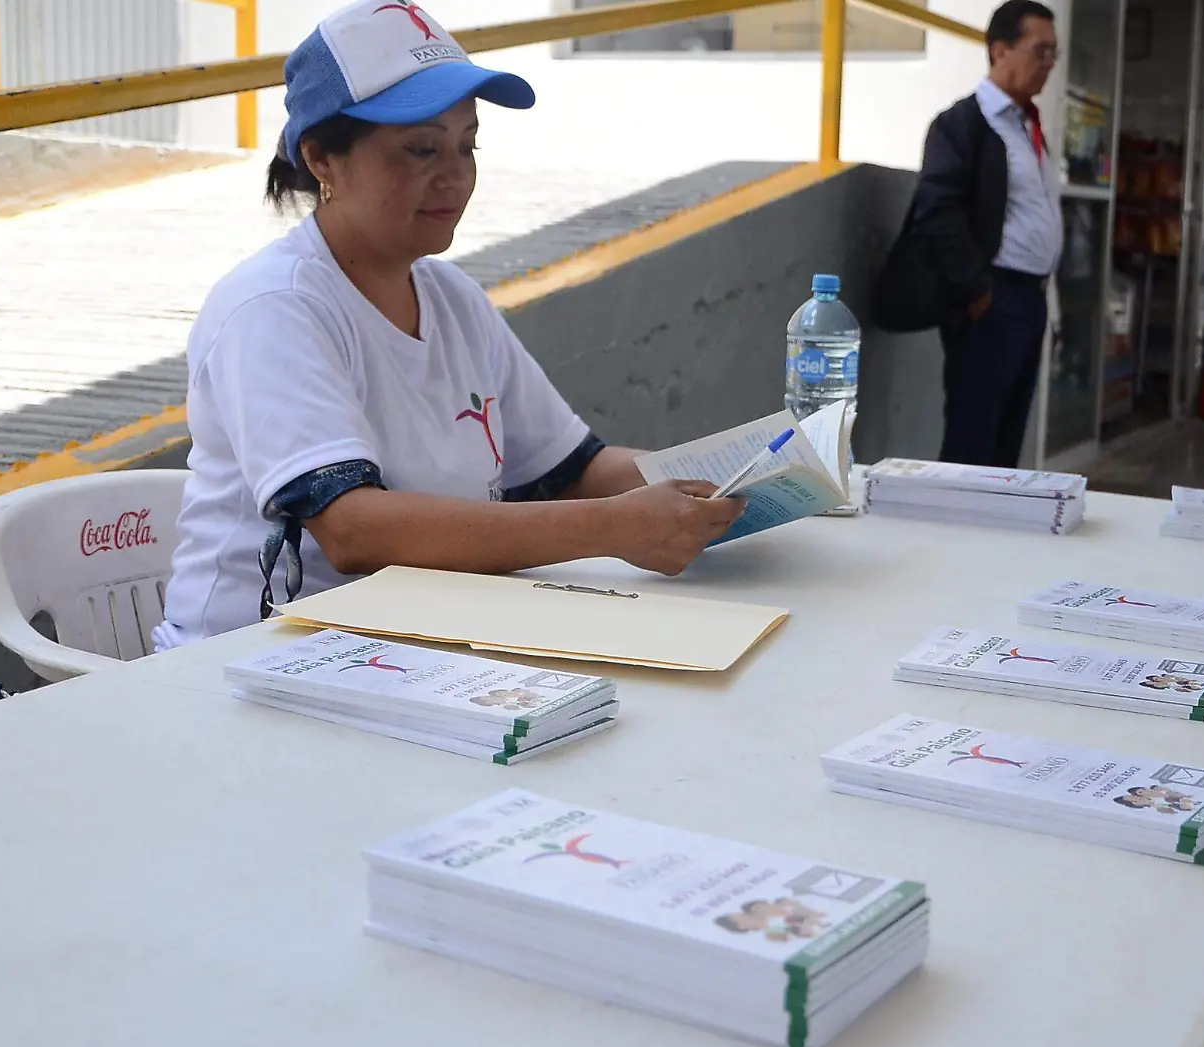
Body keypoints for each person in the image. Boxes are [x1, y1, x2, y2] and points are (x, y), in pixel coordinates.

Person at [152, 2, 747, 649]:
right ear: (323, 157)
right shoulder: (272, 308)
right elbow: (354, 530)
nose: (455, 175)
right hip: (259, 662)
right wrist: (615, 528)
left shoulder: (450, 296)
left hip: (419, 643)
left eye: (467, 145)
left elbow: (576, 468)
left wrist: (733, 480)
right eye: (420, 149)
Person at [874, 0, 1061, 467]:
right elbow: (937, 211)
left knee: (1008, 437)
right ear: (1000, 51)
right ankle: (953, 535)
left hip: (1029, 297)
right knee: (972, 438)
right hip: (989, 301)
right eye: (1040, 51)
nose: (1049, 65)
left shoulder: (1026, 126)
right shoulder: (963, 125)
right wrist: (977, 289)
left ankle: (996, 536)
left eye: (1054, 54)